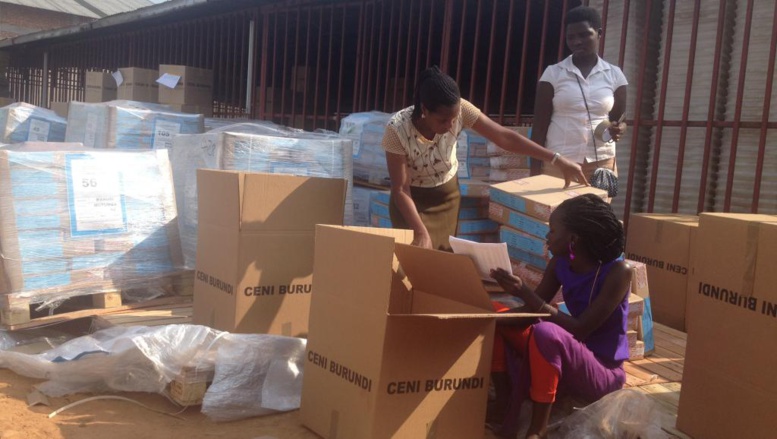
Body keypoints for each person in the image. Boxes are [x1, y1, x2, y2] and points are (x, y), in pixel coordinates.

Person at [382, 66, 588, 251]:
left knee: (441, 260)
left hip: (446, 197)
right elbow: (400, 188)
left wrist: (556, 159)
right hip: (409, 202)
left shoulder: (462, 109)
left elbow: (504, 137)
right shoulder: (397, 129)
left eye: (454, 119)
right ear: (425, 110)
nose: (450, 125)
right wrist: (420, 231)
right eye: (443, 120)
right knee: (411, 264)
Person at [488, 194, 631, 438]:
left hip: (602, 371)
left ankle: (537, 429)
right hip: (570, 352)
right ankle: (504, 400)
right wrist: (486, 317)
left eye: (553, 231)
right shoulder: (559, 263)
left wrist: (524, 292)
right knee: (495, 313)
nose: (547, 236)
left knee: (547, 333)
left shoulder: (619, 272)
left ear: (573, 239)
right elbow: (532, 313)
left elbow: (580, 329)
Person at [530, 6, 628, 185]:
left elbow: (617, 121)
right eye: (571, 37)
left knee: (596, 211)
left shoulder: (615, 75)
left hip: (602, 161)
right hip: (559, 161)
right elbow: (539, 126)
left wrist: (620, 129)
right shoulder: (553, 73)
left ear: (598, 34)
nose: (577, 41)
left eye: (584, 35)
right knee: (559, 212)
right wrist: (535, 170)